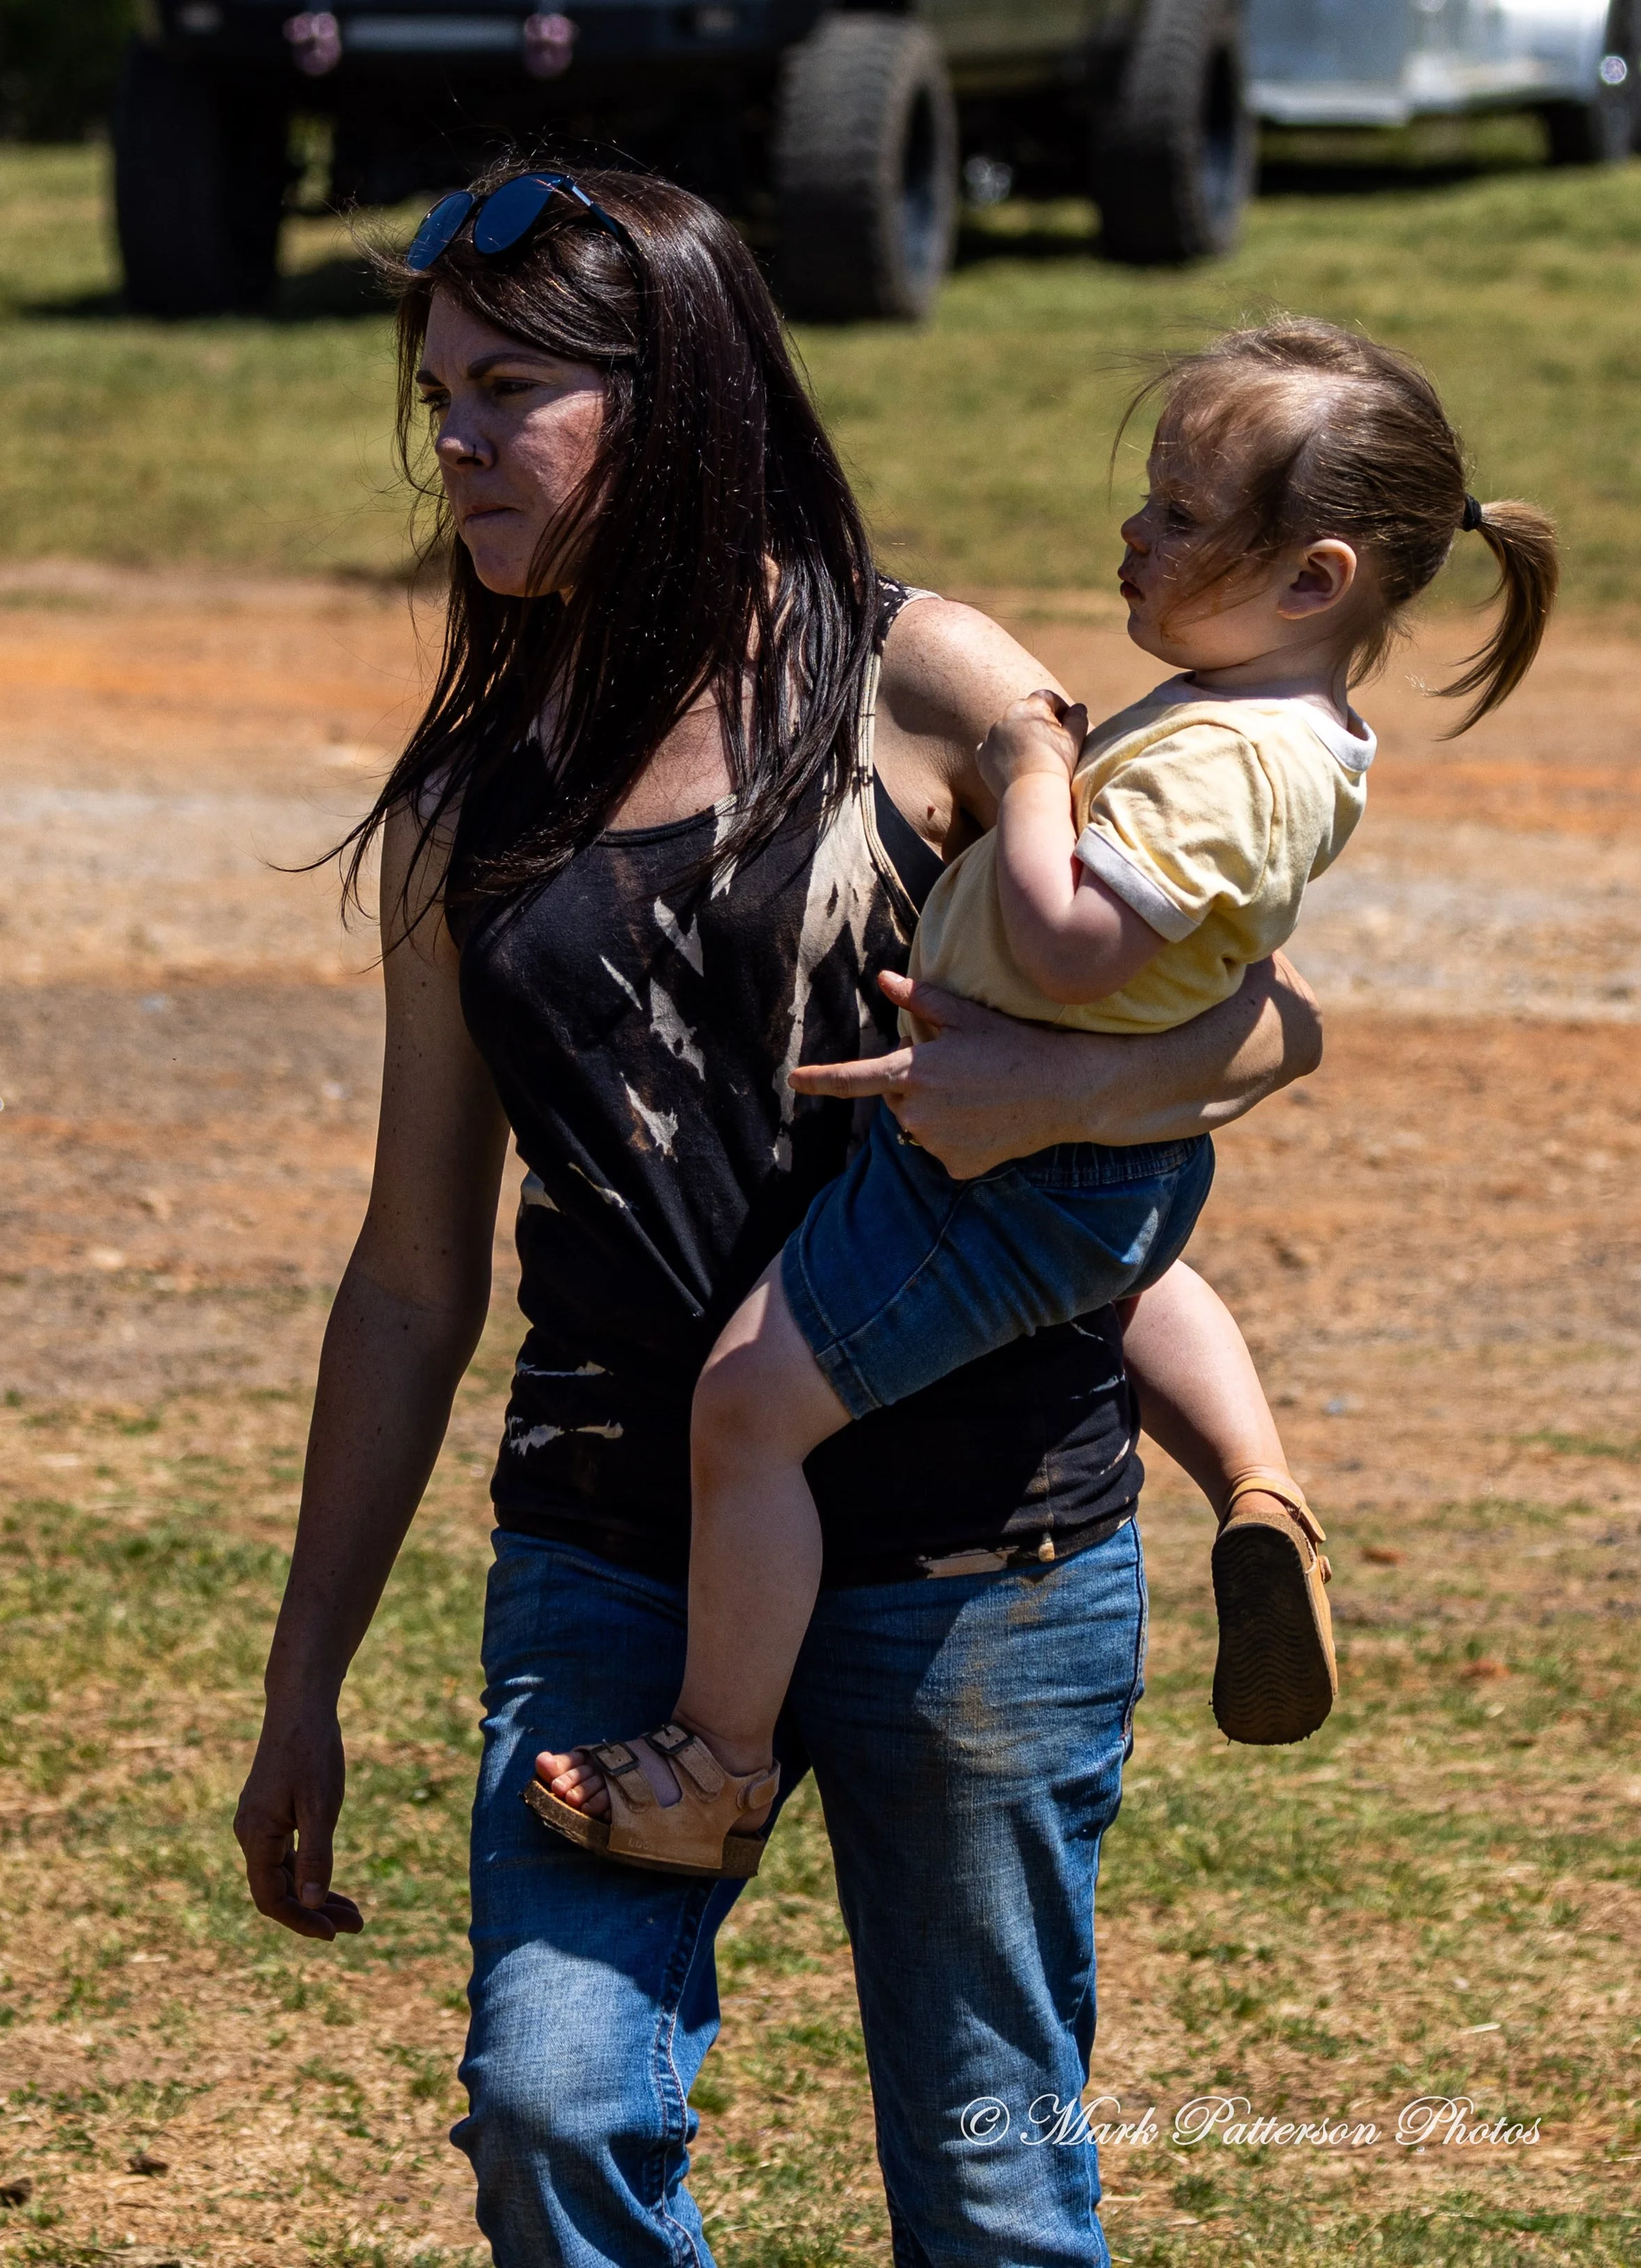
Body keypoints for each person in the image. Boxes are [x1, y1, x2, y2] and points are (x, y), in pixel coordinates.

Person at [231, 162, 1324, 2268]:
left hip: (976, 1546)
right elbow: (408, 1277)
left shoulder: (929, 688)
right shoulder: (473, 797)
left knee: (993, 2189)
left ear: (678, 406)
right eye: (435, 388)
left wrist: (1067, 1083)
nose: (449, 436)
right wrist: (304, 1677)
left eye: (511, 390)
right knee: (552, 2113)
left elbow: (1267, 1022)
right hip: (610, 1541)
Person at [532, 316, 1560, 1875]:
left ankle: (713, 1763)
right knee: (1134, 1266)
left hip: (1003, 1166)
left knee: (746, 1411)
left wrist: (1028, 781)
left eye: (1182, 515)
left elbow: (1074, 943)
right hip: (1099, 1160)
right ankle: (1259, 1485)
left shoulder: (1231, 757)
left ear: (1314, 578)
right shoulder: (1276, 719)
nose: (1131, 533)